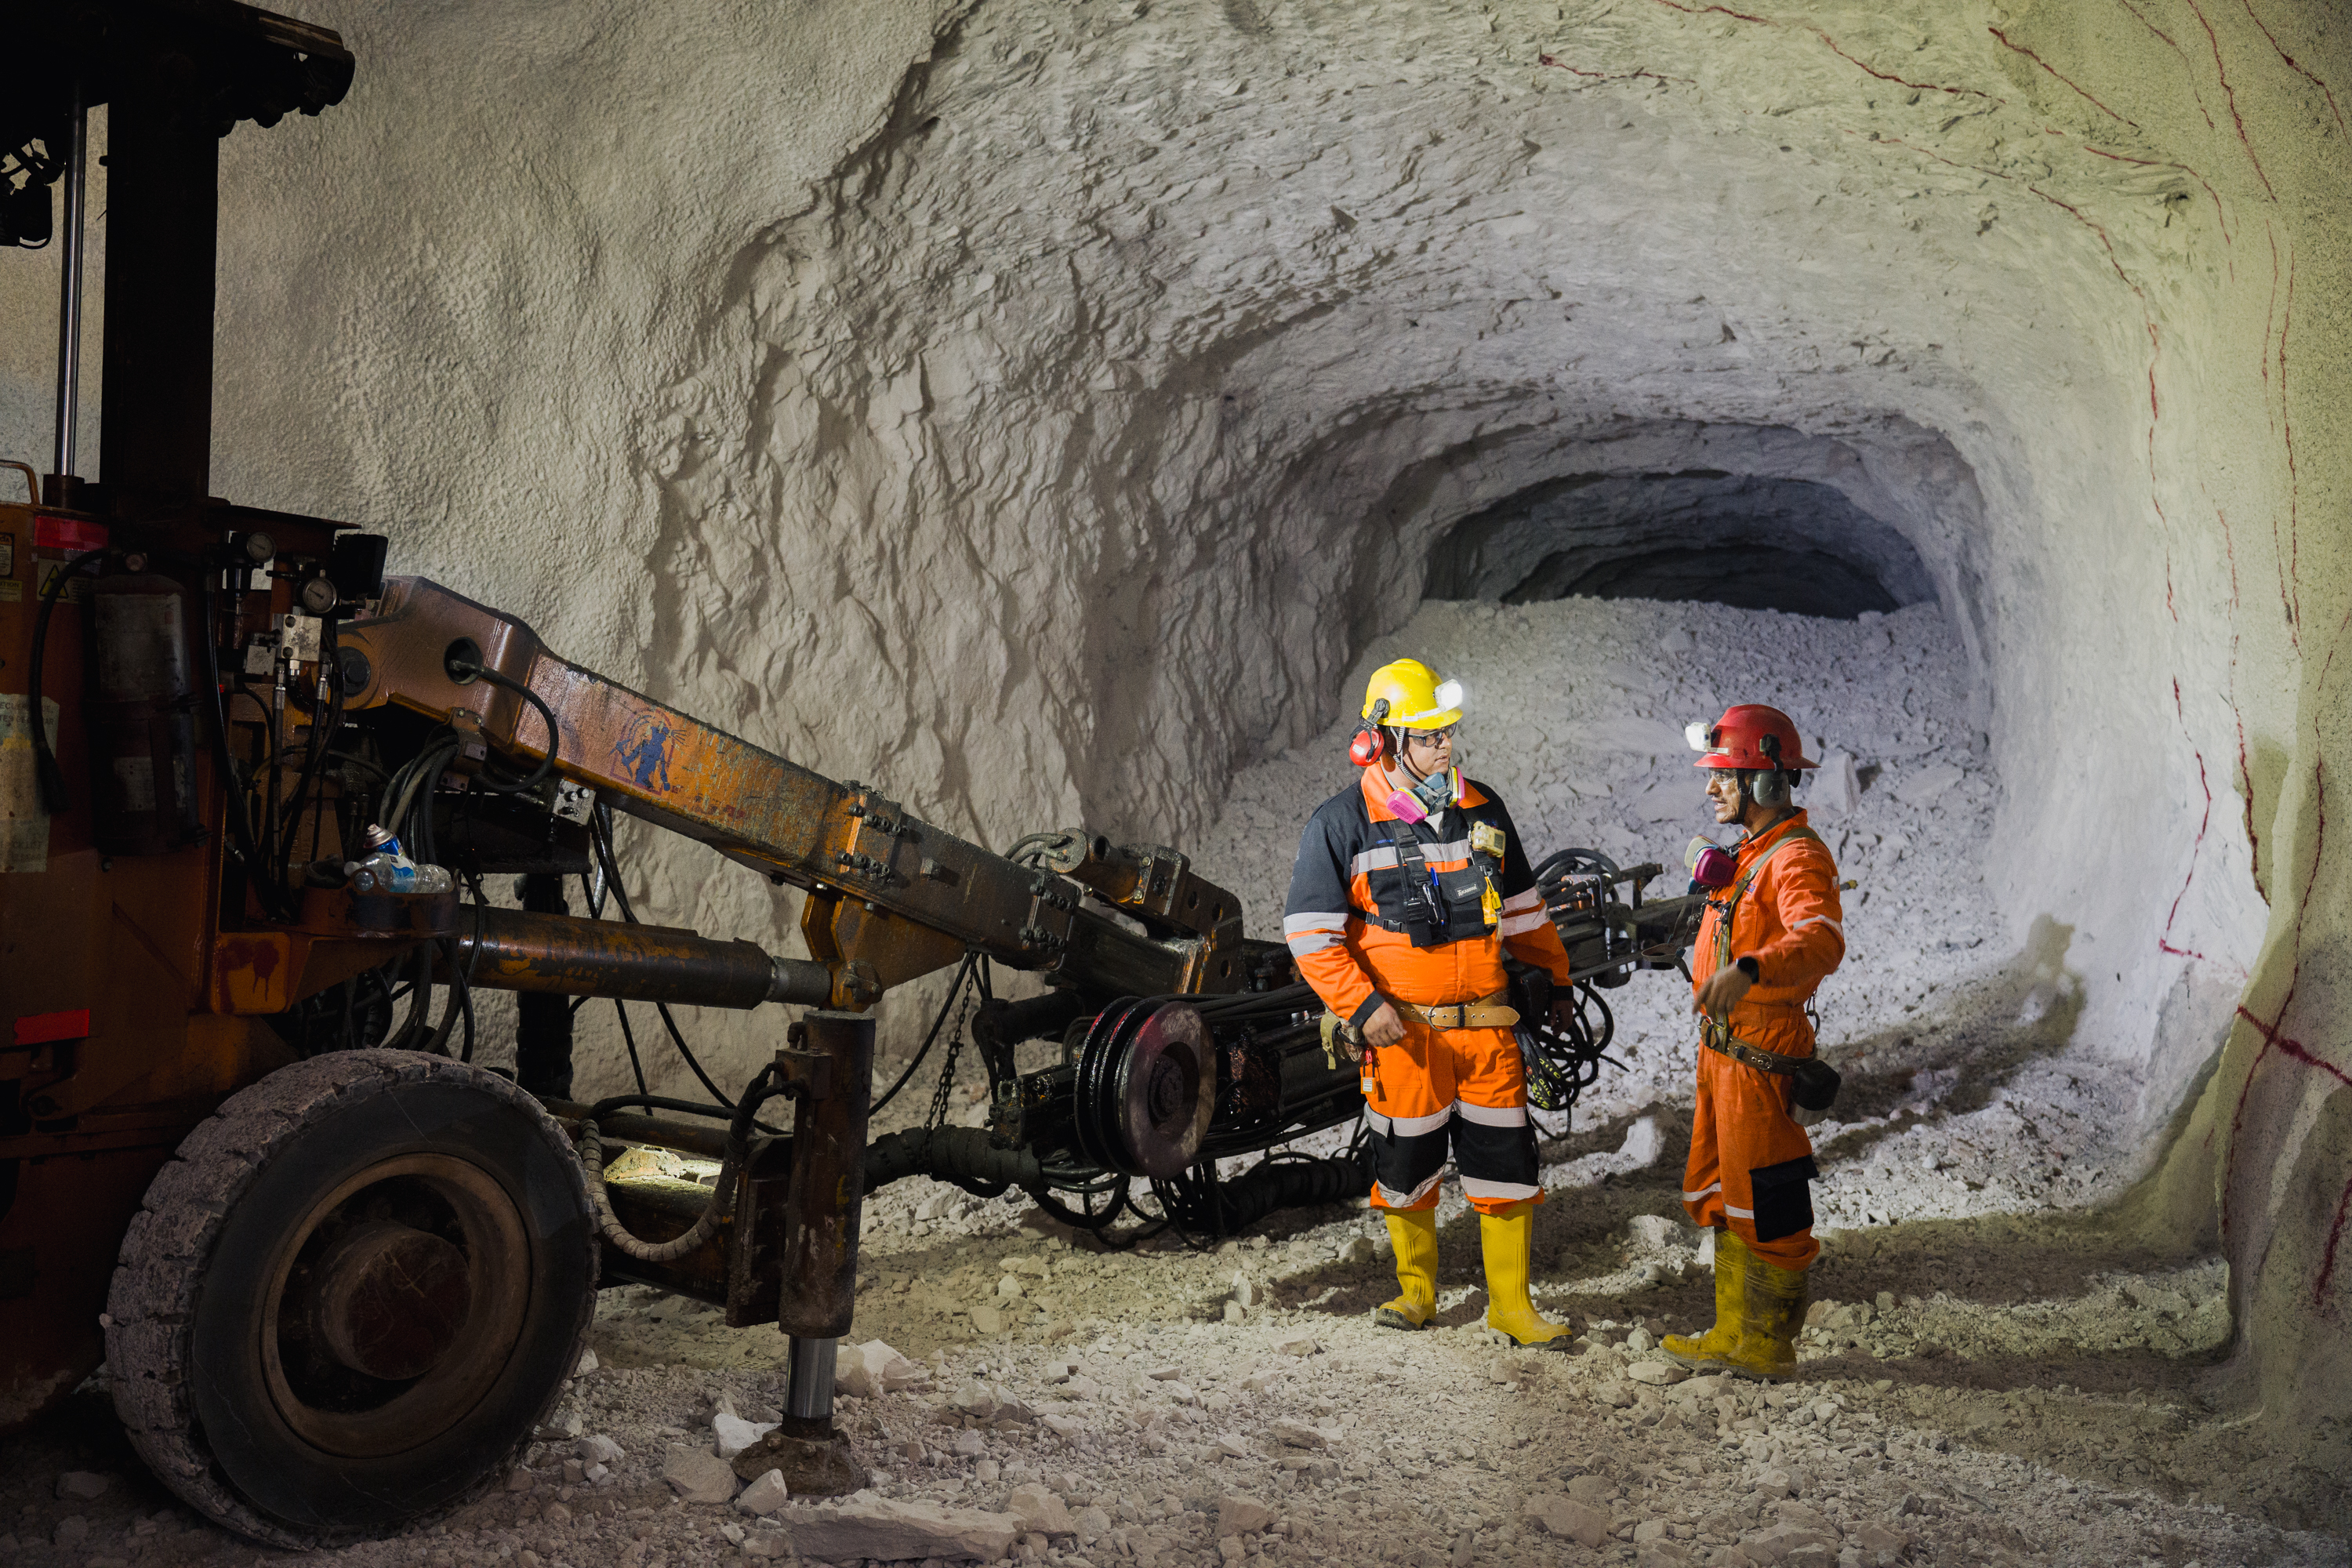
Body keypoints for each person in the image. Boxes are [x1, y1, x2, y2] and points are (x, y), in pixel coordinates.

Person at [1283, 659, 1585, 1348]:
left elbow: (1523, 913)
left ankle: (1512, 1306)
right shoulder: (1342, 823)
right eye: (1427, 736)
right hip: (1404, 1038)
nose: (1445, 746)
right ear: (1383, 741)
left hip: (1485, 1031)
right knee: (1406, 1168)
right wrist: (1362, 1010)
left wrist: (1557, 980)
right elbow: (1309, 935)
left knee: (1506, 1168)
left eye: (1448, 733)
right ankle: (1416, 1293)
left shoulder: (1483, 808)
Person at [1661, 703, 1846, 1381]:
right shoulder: (1752, 855)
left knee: (1770, 1196)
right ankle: (1732, 1330)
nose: (1712, 787)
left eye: (1727, 775)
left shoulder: (1796, 856)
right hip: (1723, 1054)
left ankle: (1770, 1343)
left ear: (1768, 782)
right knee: (1723, 1192)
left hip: (1762, 1056)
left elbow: (1821, 938)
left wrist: (1751, 969)